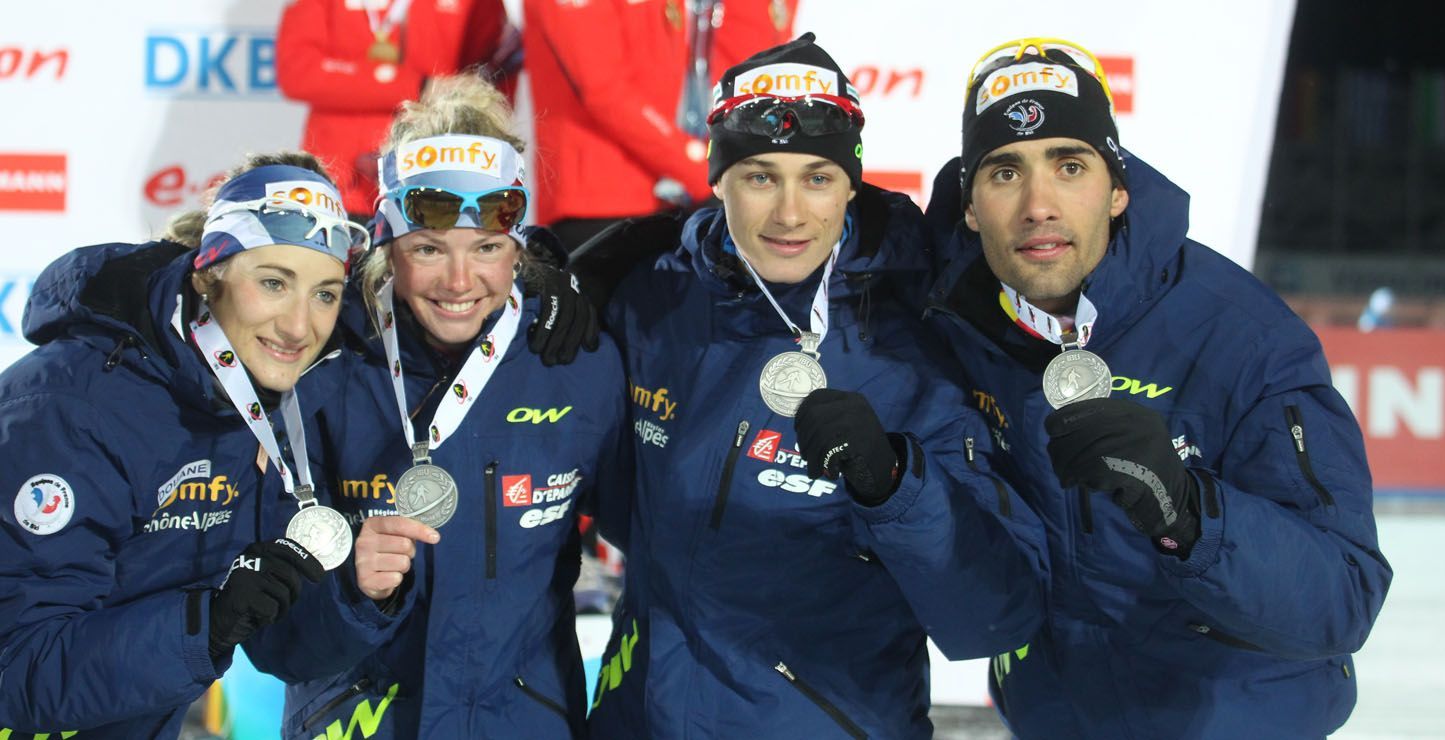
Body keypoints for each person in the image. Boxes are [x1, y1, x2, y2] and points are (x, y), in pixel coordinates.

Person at [923, 37, 1393, 738]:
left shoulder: (1242, 336)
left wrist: (1190, 511)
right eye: (1003, 173)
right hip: (1058, 718)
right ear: (968, 207)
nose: (1038, 204)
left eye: (1070, 165)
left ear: (1117, 191)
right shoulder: (951, 318)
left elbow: (1343, 597)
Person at [584, 34, 1046, 738]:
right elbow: (623, 508)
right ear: (718, 179)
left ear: (853, 182)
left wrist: (895, 485)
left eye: (818, 178)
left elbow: (991, 613)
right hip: (640, 716)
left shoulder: (926, 331)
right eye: (761, 176)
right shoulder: (653, 301)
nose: (790, 214)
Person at [244, 75, 628, 739]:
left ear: (520, 247)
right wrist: (349, 592)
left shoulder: (575, 363)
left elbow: (660, 545)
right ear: (387, 241)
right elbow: (272, 644)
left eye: (486, 248)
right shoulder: (312, 366)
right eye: (428, 249)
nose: (458, 282)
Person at [0, 154, 364, 737]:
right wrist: (205, 625)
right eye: (273, 283)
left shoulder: (269, 399)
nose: (300, 326)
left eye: (325, 294)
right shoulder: (71, 409)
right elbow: (16, 670)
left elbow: (279, 651)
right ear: (206, 275)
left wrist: (359, 595)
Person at [523, 0, 797, 250]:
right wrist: (704, 168)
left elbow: (731, 68)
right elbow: (603, 90)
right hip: (597, 203)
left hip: (670, 197)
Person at [276, 0, 517, 217]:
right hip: (339, 187)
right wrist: (417, 87)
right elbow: (298, 71)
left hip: (433, 180)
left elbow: (492, 82)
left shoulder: (479, 5)